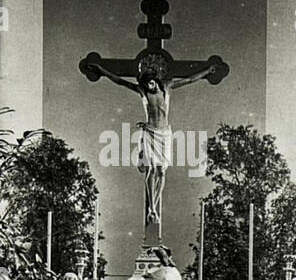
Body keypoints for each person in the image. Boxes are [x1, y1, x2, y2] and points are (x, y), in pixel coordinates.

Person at [85, 57, 217, 228]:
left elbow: (189, 79)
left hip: (164, 134)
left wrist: (207, 71)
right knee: (151, 169)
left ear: (157, 80)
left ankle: (153, 206)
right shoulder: (142, 91)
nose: (150, 86)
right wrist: (102, 70)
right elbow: (119, 81)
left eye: (152, 83)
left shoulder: (167, 88)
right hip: (150, 133)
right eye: (147, 84)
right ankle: (152, 208)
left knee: (162, 171)